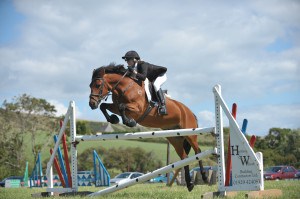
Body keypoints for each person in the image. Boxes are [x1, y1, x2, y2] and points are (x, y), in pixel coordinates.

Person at [122, 50, 168, 115]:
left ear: (134, 59)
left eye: (128, 60)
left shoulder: (142, 64)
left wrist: (134, 72)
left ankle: (163, 106)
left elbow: (143, 77)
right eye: (126, 60)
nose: (127, 62)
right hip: (151, 77)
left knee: (156, 85)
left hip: (160, 75)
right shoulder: (133, 67)